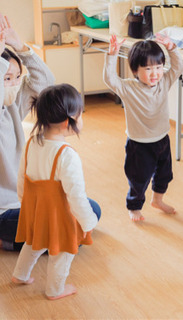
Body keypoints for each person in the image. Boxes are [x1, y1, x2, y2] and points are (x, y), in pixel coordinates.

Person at [11, 83, 101, 300]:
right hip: (59, 215)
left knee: (33, 242)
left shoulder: (33, 141)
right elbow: (76, 194)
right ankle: (55, 290)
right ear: (65, 123)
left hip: (35, 209)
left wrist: (24, 201)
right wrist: (88, 221)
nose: (81, 119)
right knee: (63, 252)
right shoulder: (67, 155)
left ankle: (20, 275)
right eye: (79, 115)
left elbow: (22, 176)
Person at [103, 34, 183, 221]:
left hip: (162, 139)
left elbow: (178, 66)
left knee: (164, 175)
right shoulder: (128, 88)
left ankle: (157, 200)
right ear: (135, 71)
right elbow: (110, 79)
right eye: (148, 69)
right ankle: (134, 207)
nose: (155, 73)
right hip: (139, 145)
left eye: (158, 67)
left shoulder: (164, 82)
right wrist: (112, 54)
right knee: (138, 180)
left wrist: (172, 48)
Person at [0, 13, 55, 251]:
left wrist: (21, 47)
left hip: (24, 201)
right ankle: (9, 240)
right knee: (60, 231)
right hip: (3, 211)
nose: (13, 83)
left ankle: (18, 240)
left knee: (90, 209)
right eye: (6, 78)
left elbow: (45, 84)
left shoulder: (13, 105)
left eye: (16, 78)